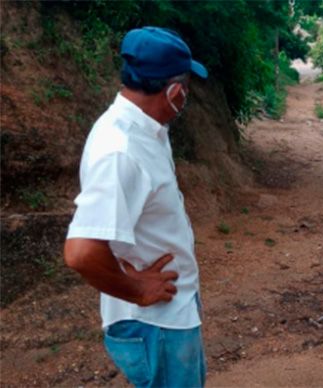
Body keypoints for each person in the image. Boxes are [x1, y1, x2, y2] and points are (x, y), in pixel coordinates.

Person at [64, 26, 208, 388]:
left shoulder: (146, 130)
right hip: (155, 321)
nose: (187, 95)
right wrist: (136, 290)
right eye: (186, 87)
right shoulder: (121, 149)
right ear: (174, 92)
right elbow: (81, 252)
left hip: (170, 313)